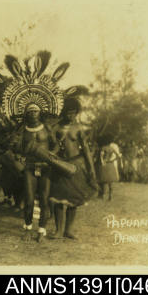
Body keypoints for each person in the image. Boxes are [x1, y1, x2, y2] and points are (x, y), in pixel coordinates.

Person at [48, 97, 99, 240]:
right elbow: (51, 148)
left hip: (76, 165)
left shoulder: (78, 128)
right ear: (63, 113)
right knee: (58, 199)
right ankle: (58, 231)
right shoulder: (55, 128)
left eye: (73, 113)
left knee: (74, 199)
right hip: (60, 165)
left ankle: (68, 230)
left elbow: (87, 150)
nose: (71, 116)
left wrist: (91, 169)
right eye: (68, 113)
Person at [17, 103, 59, 242]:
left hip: (46, 167)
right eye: (30, 111)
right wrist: (19, 156)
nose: (33, 113)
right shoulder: (23, 130)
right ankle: (28, 229)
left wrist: (51, 155)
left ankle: (41, 230)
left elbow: (56, 145)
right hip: (30, 167)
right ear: (27, 114)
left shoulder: (47, 128)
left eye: (35, 111)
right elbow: (18, 149)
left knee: (44, 200)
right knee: (29, 200)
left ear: (39, 113)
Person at [97, 134, 121, 201]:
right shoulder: (112, 148)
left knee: (103, 181)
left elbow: (101, 156)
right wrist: (111, 160)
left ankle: (103, 195)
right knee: (110, 182)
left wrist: (103, 162)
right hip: (111, 165)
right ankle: (110, 196)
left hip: (105, 165)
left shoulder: (103, 148)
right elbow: (118, 156)